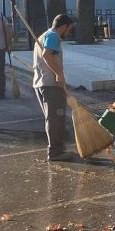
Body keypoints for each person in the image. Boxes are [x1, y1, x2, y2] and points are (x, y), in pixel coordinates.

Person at [33, 14, 74, 162]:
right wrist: (59, 74)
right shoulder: (53, 35)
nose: (68, 33)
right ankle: (56, 152)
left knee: (52, 119)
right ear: (63, 26)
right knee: (56, 119)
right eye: (68, 29)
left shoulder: (44, 35)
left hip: (41, 83)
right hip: (51, 85)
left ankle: (57, 149)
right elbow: (46, 54)